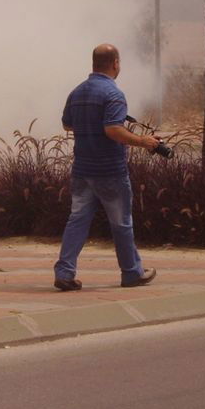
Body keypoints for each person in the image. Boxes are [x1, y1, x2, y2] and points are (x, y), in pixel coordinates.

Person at [54, 43, 159, 291]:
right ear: (115, 64)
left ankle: (64, 272)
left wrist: (87, 125)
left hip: (82, 171)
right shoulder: (113, 94)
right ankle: (132, 273)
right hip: (110, 171)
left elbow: (67, 125)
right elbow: (112, 129)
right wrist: (143, 142)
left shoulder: (77, 92)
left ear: (93, 64)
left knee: (77, 220)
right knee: (121, 223)